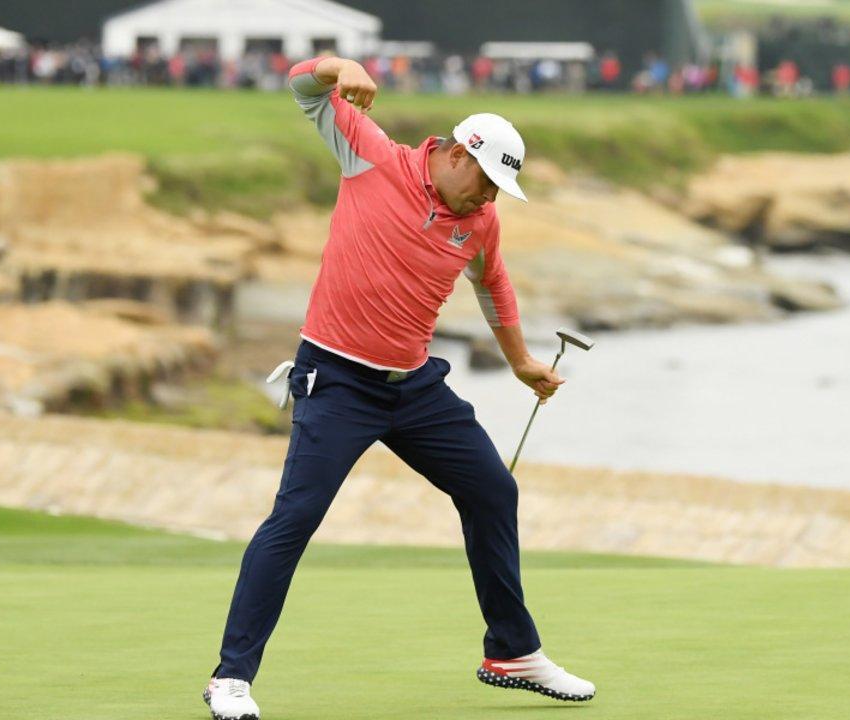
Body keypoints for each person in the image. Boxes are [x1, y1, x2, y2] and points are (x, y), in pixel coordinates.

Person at [202, 54, 596, 720]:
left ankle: (511, 652)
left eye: (502, 190)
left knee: (492, 489)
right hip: (337, 379)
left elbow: (493, 284)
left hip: (414, 387)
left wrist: (522, 361)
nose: (492, 199)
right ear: (455, 156)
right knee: (294, 519)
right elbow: (301, 89)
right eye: (489, 182)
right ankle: (230, 678)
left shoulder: (481, 222)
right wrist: (336, 65)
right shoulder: (373, 157)